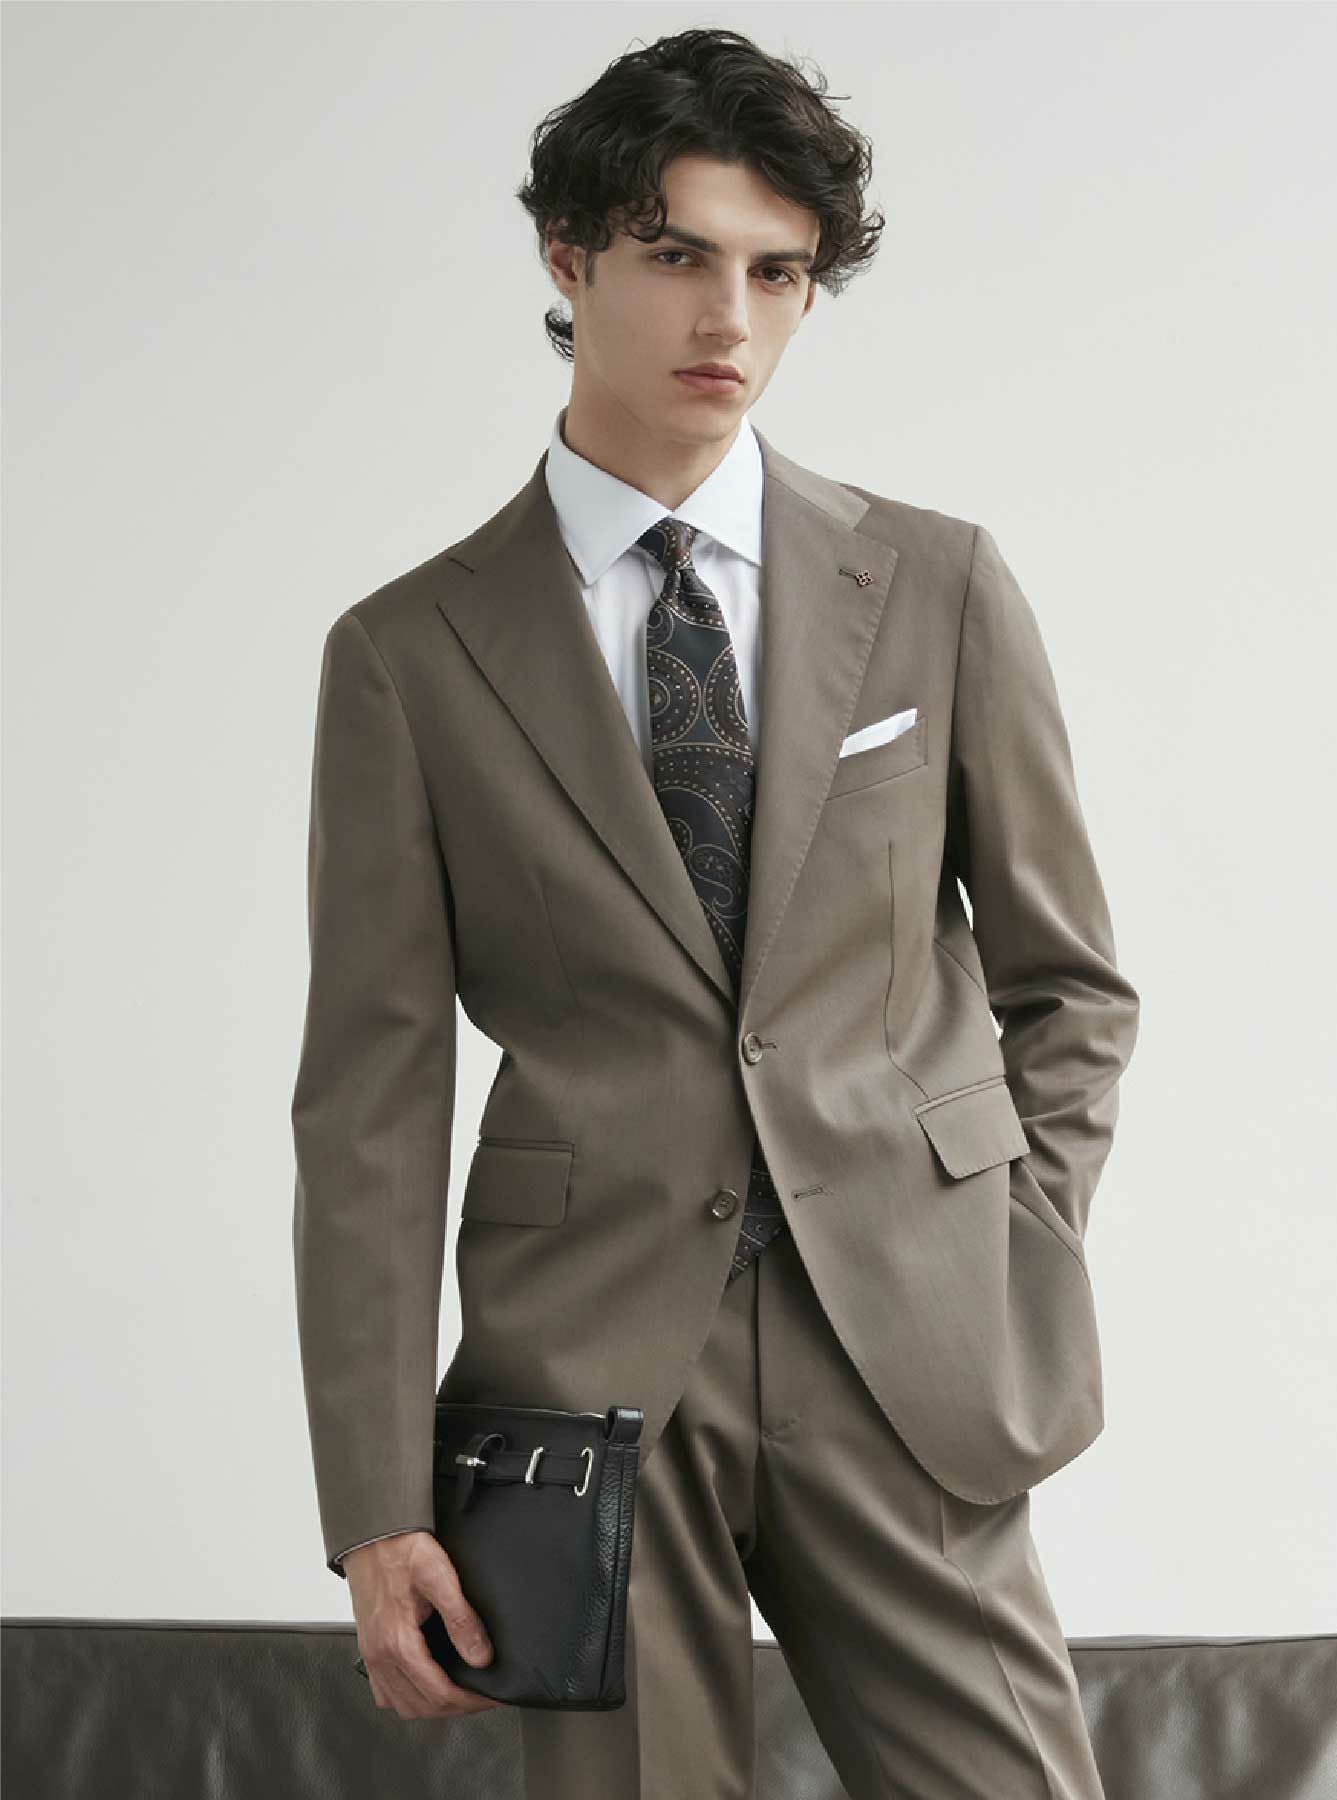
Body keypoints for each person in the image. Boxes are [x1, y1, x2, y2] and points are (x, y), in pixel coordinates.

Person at [291, 25, 1140, 1797]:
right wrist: (373, 1507)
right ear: (566, 256)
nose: (727, 320)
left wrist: (1005, 1240)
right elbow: (370, 1099)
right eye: (677, 255)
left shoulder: (934, 585)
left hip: (905, 1346)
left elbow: (1067, 987)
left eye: (776, 273)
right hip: (587, 1377)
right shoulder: (409, 655)